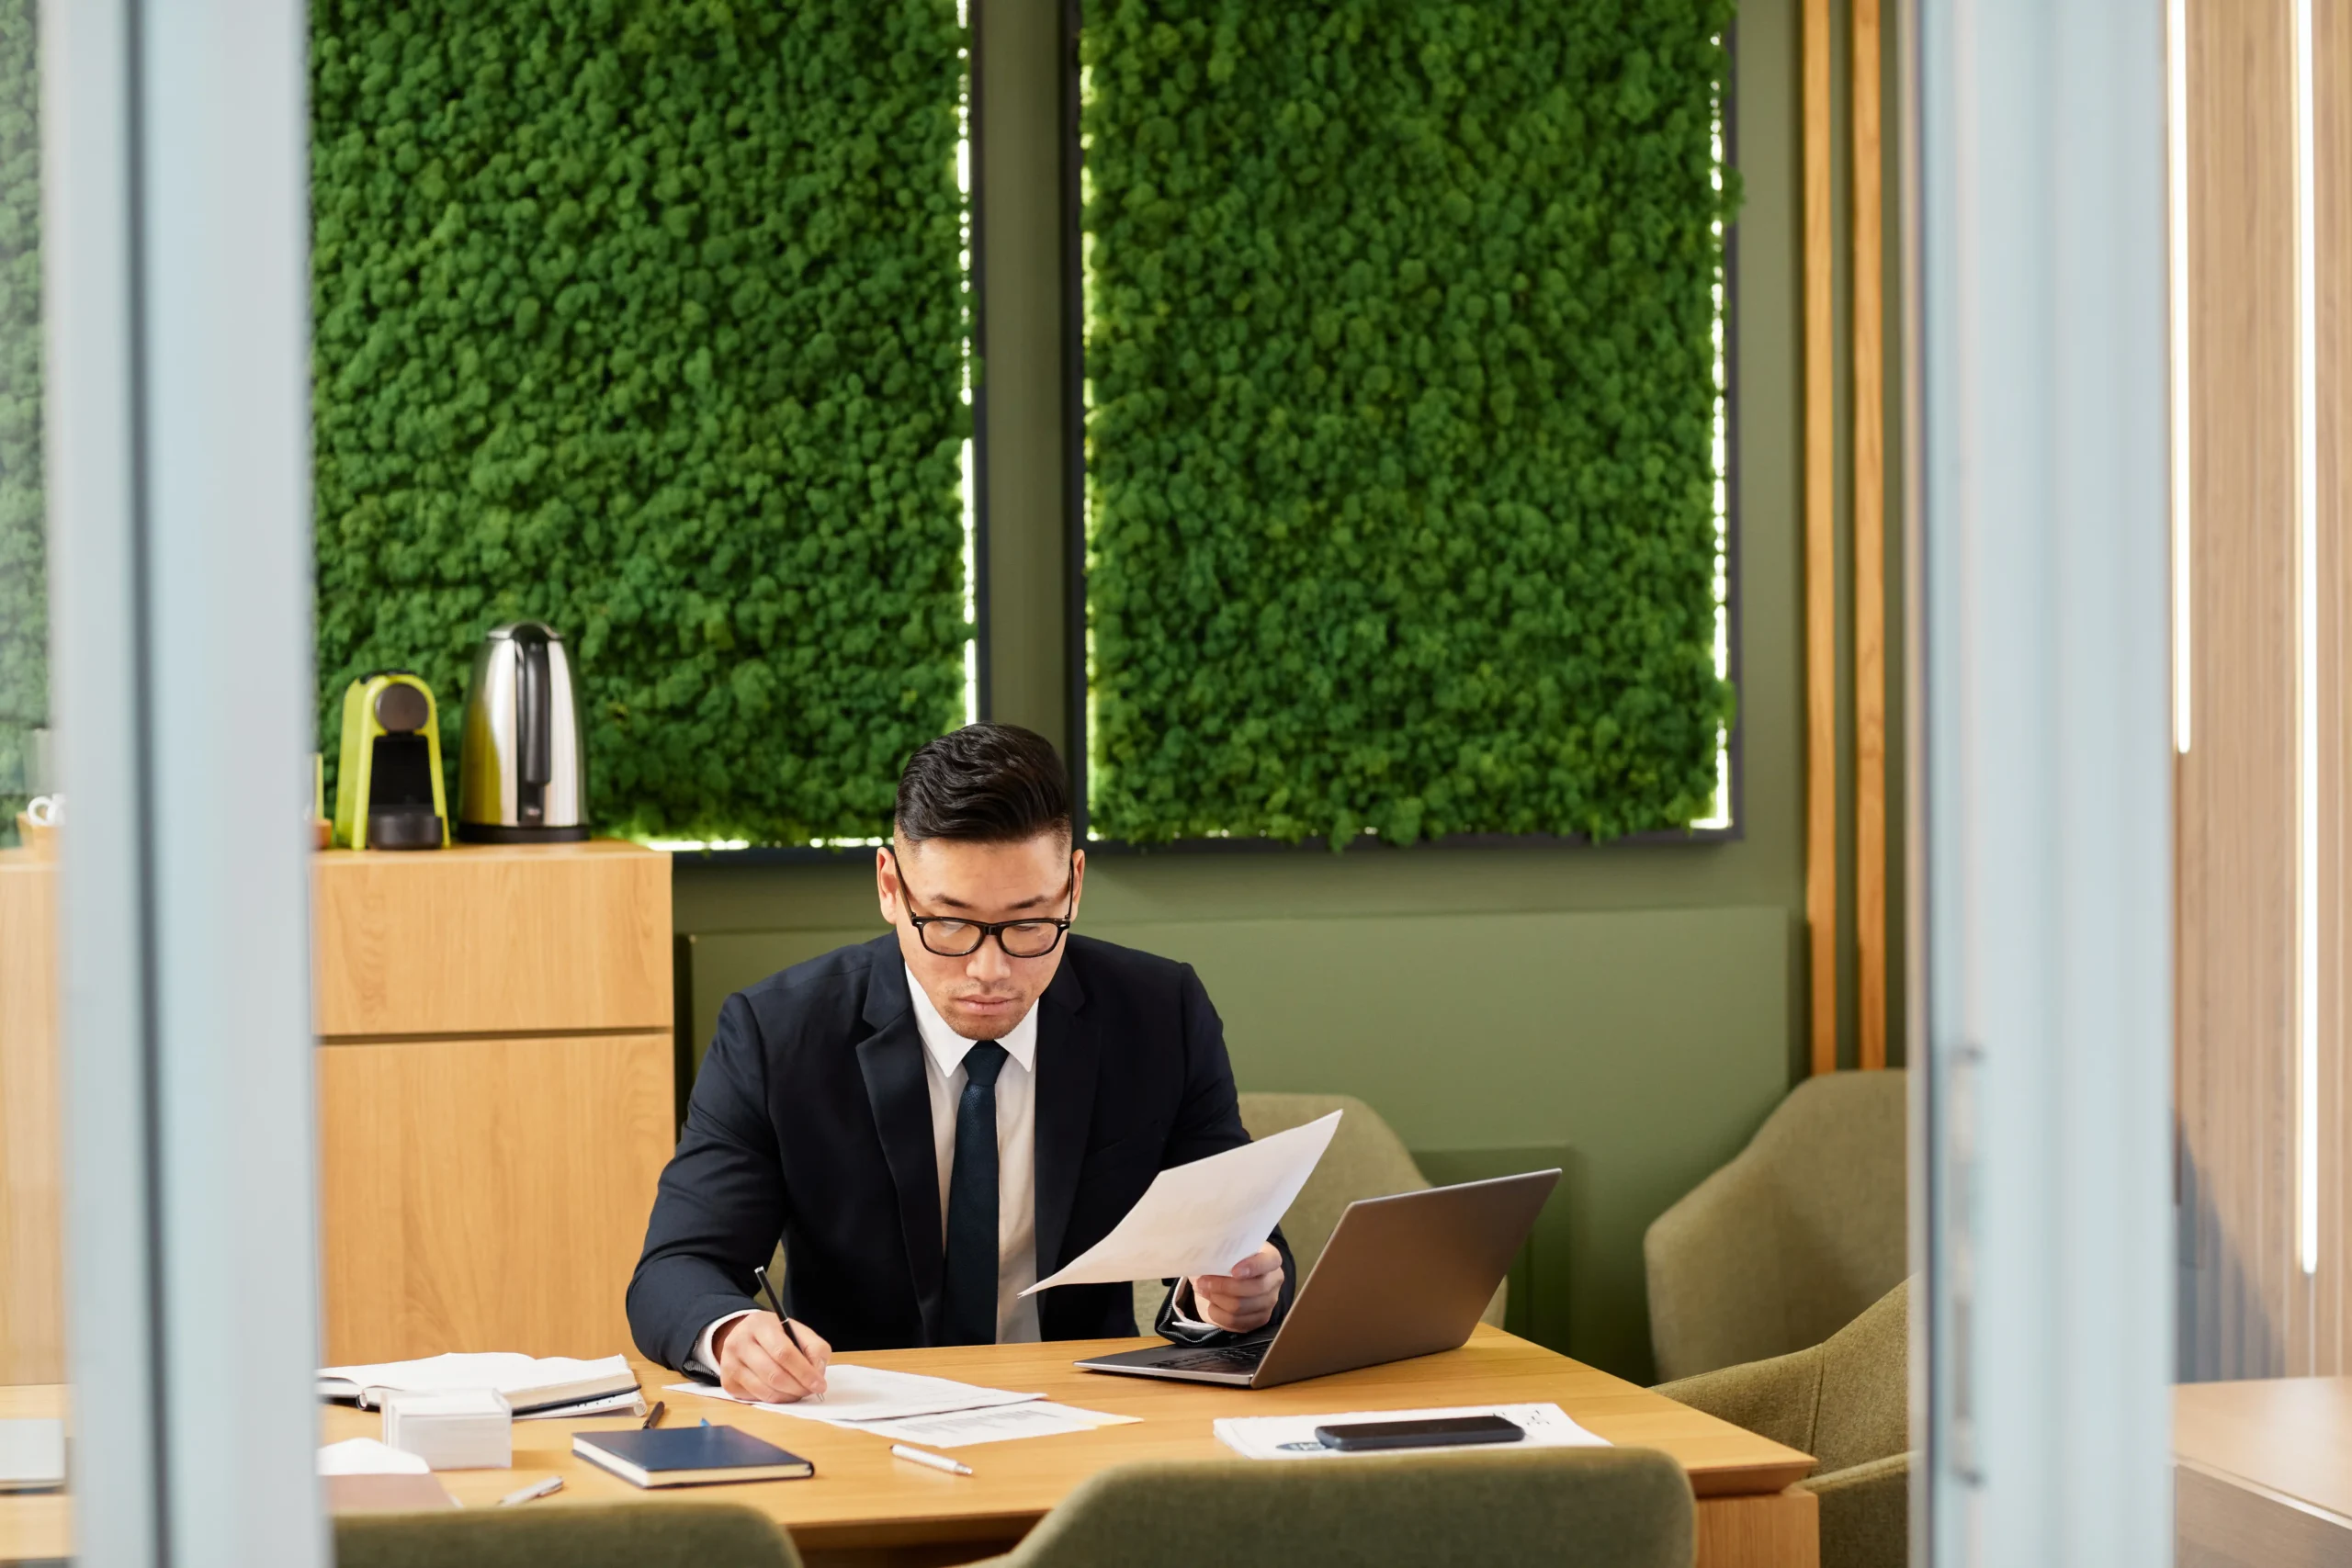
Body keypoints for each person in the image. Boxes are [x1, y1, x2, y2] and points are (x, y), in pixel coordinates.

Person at [628, 723, 1295, 1403]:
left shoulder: (1159, 1014)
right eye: (948, 923)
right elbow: (677, 1267)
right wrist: (731, 1331)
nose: (990, 969)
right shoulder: (777, 1034)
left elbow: (1245, 1233)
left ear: (1074, 884)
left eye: (1029, 923)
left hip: (1090, 1414)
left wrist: (1228, 1295)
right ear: (891, 886)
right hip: (862, 1420)